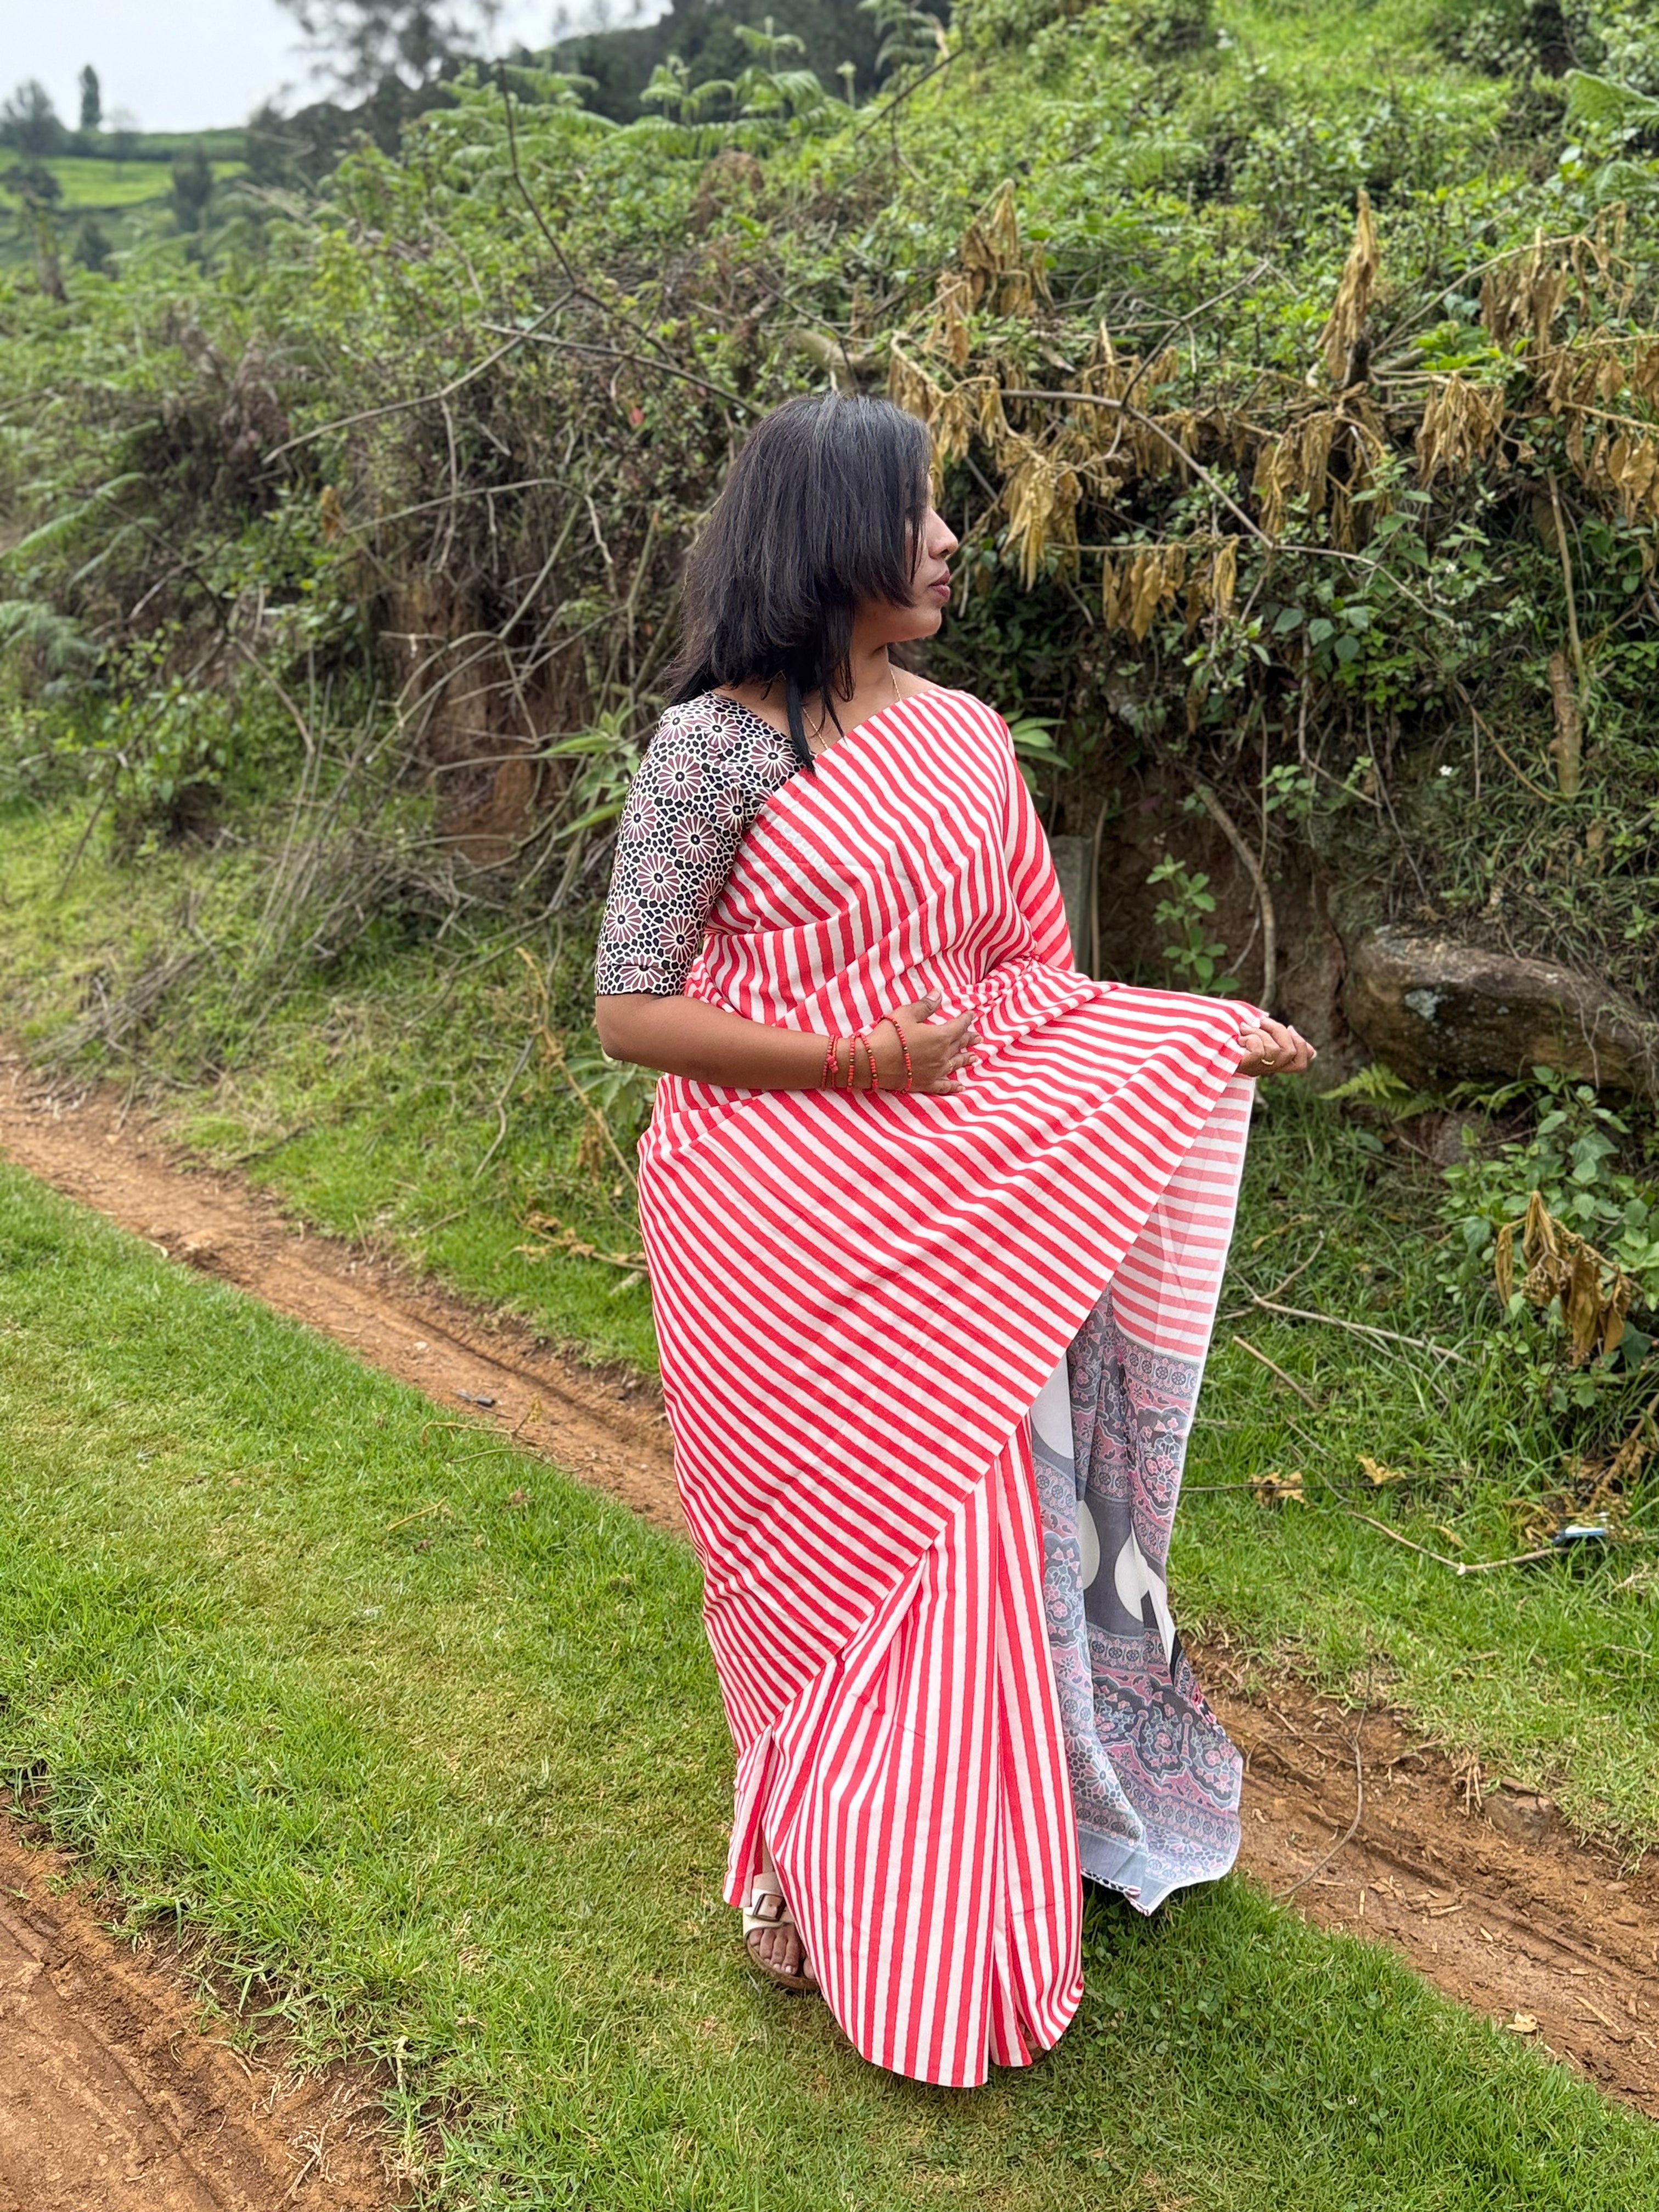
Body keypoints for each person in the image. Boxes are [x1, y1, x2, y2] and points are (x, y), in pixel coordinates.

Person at [594, 392, 1315, 2088]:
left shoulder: (969, 735)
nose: (945, 542)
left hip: (952, 1216)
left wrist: (1195, 1032)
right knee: (809, 1581)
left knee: (974, 1553)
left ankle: (961, 1889)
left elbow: (1024, 986)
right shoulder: (717, 749)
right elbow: (632, 1012)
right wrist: (857, 1056)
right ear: (831, 533)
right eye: (917, 514)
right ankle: (803, 1859)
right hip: (765, 1225)